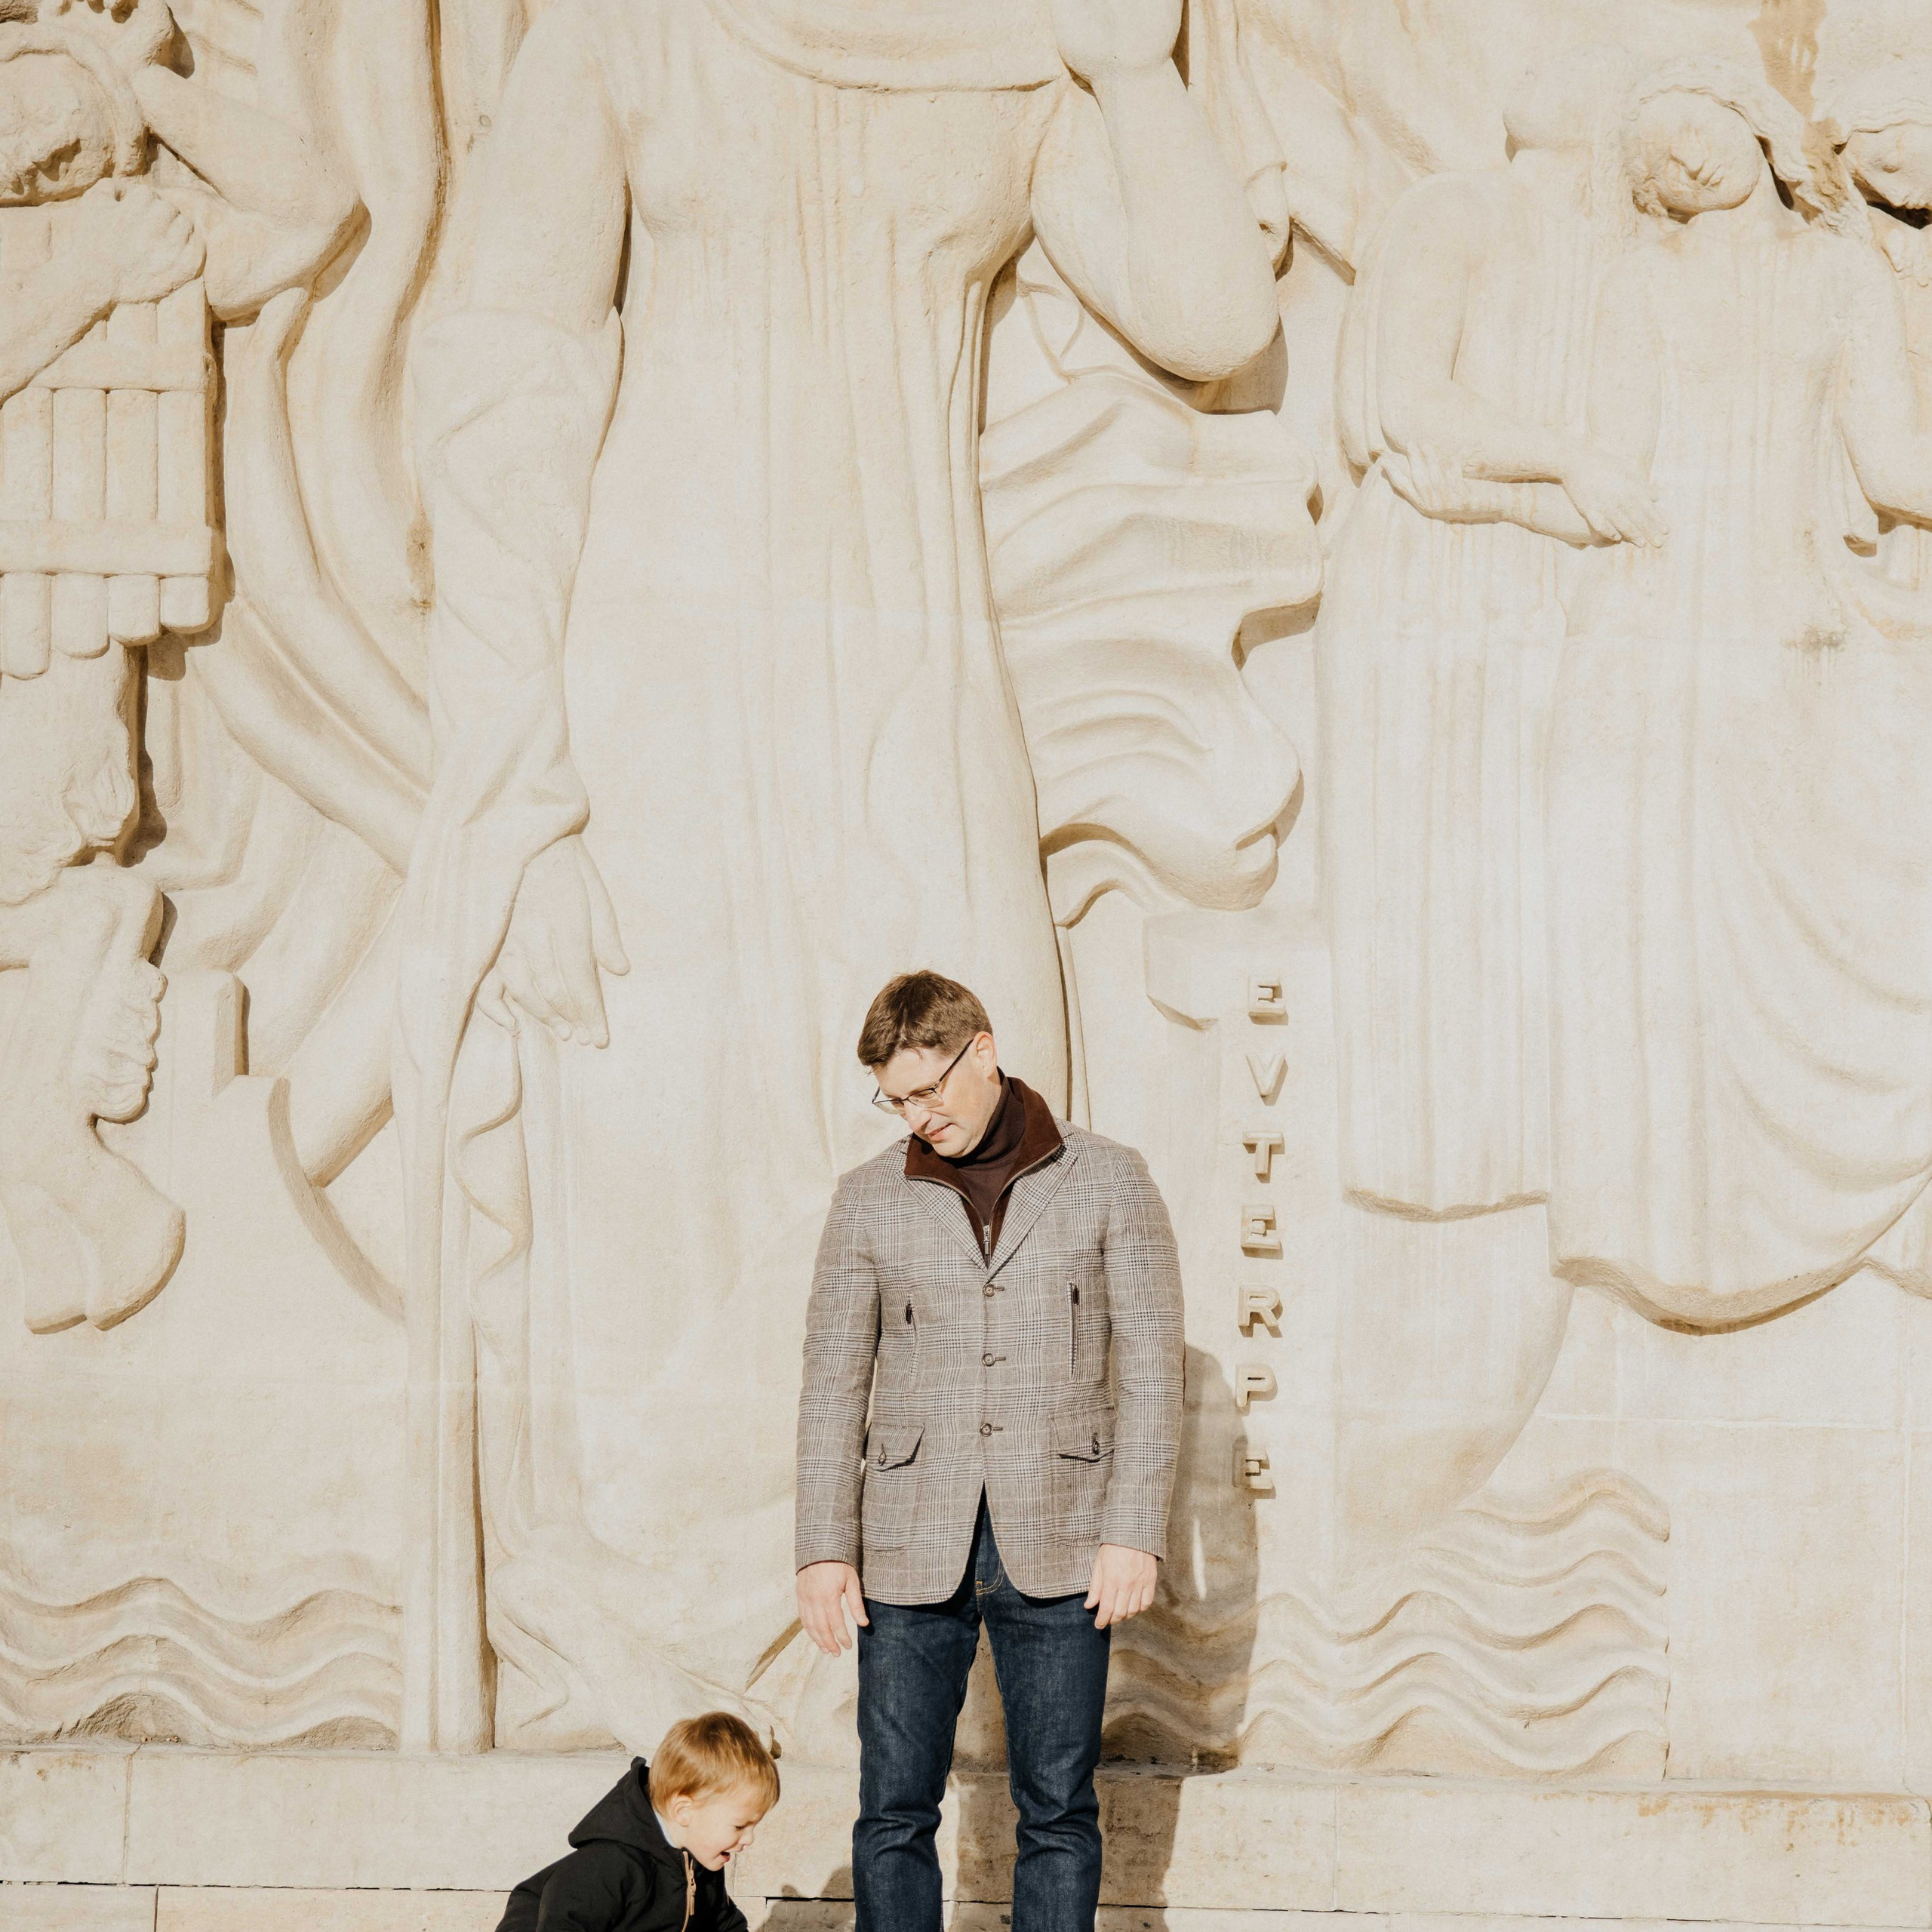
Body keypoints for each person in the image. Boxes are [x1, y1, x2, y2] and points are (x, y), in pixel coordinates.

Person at [401, 0, 1278, 1751]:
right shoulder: (626, 35)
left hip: (909, 677)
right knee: (665, 1184)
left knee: (976, 1187)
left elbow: (1214, 315)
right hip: (661, 683)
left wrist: (1122, 63)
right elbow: (498, 374)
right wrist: (523, 790)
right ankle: (675, 1725)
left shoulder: (1010, 55)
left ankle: (936, 1692)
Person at [795, 970, 1184, 1932]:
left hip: (1063, 1535)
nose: (918, 1116)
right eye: (897, 1099)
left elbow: (1151, 1365)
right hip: (903, 1541)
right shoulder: (866, 1199)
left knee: (1057, 1809)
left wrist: (1134, 1529)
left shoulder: (1111, 1177)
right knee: (892, 1810)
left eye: (930, 1089)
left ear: (983, 1049)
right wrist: (820, 1546)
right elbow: (832, 1381)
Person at [496, 1711, 777, 1932]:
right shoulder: (610, 1865)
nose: (749, 1839)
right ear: (684, 1812)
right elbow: (563, 1922)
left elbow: (722, 1922)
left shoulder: (701, 1861)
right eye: (740, 1826)